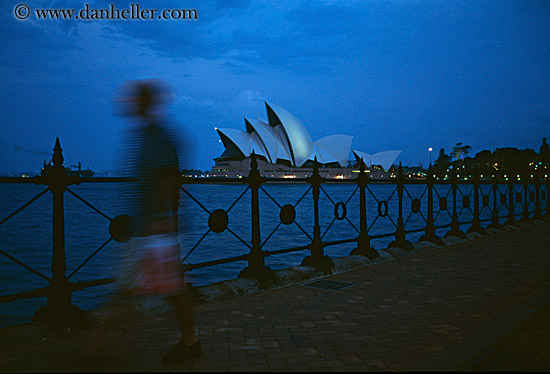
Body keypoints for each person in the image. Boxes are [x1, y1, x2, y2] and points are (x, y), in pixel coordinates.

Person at [117, 80, 201, 365]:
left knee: (171, 289)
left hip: (157, 228)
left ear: (146, 102)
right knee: (126, 289)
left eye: (134, 99)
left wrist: (167, 222)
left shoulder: (160, 137)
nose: (128, 103)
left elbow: (171, 181)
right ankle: (96, 350)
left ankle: (190, 341)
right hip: (145, 226)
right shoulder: (144, 135)